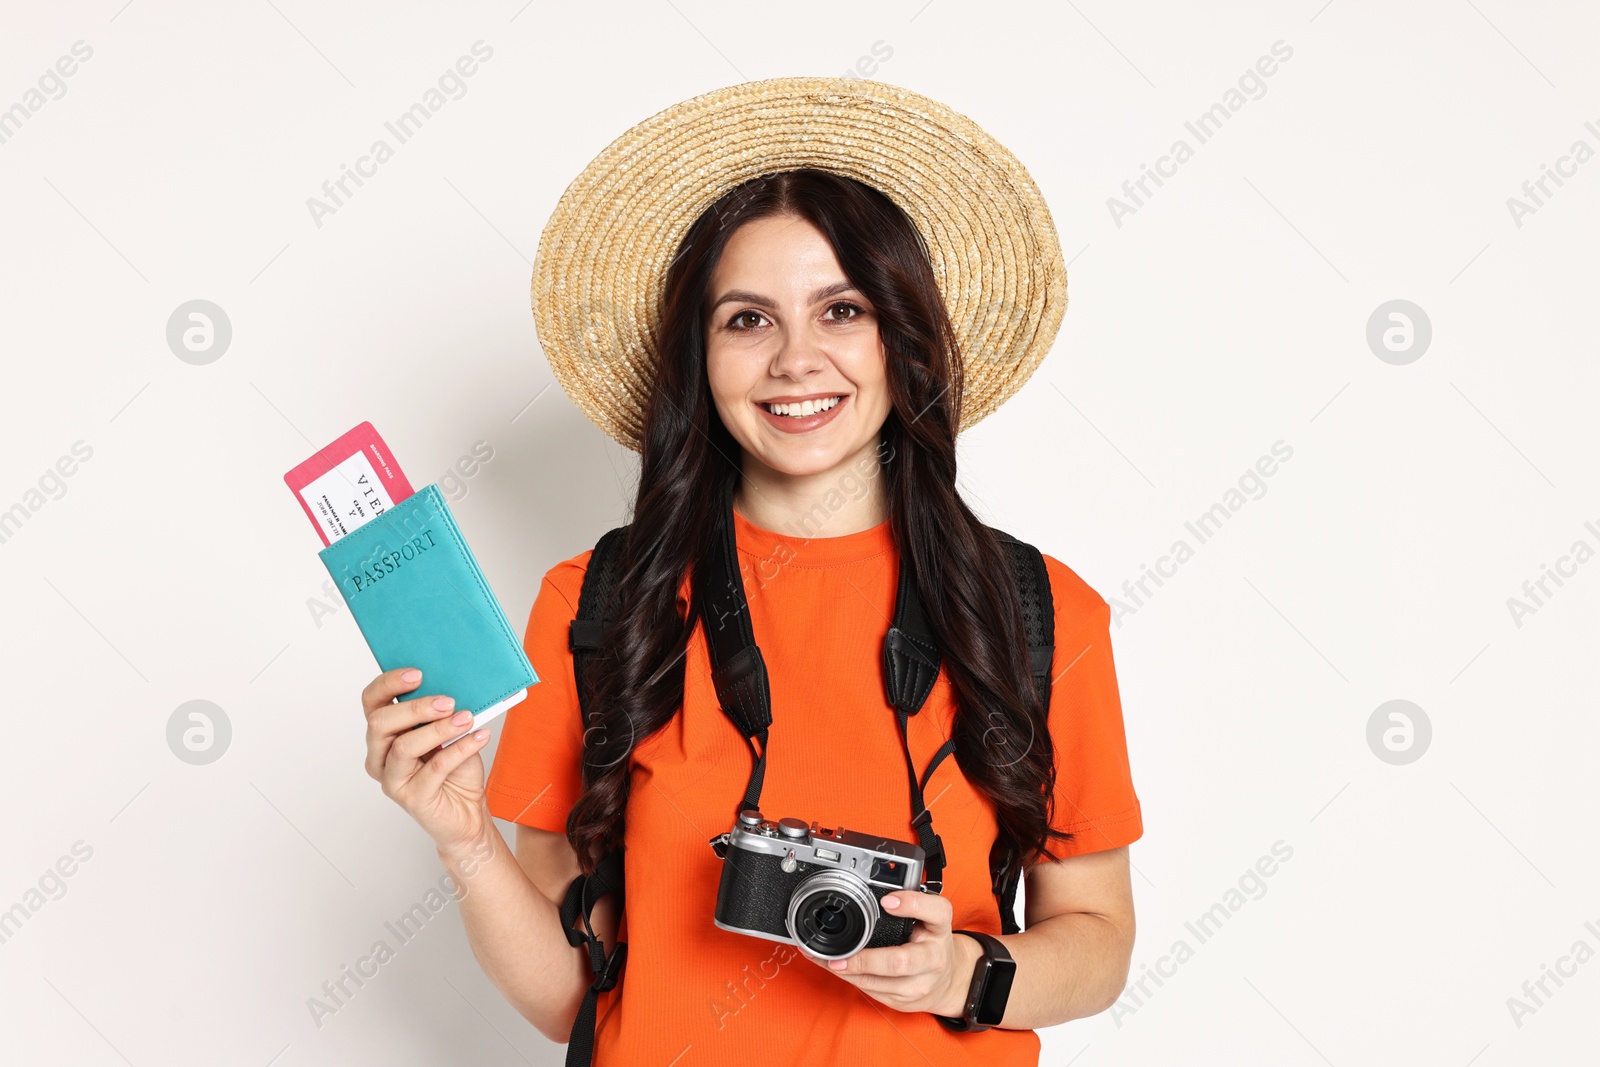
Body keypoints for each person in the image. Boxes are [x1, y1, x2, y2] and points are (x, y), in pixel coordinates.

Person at [359, 77, 1141, 1065]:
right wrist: (460, 835)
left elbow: (1100, 941)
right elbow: (569, 999)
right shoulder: (598, 603)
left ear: (903, 338)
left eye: (841, 309)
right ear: (700, 354)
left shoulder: (1038, 612)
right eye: (747, 319)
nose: (795, 359)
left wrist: (961, 972)